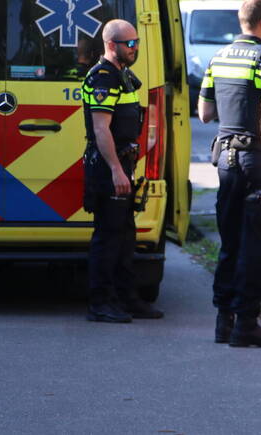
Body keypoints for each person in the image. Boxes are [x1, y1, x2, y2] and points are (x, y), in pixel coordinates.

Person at [199, 0, 261, 348]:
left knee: (229, 243)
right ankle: (247, 324)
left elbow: (205, 112)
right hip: (254, 162)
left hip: (225, 161)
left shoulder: (218, 58)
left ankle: (224, 321)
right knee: (253, 245)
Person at [81, 19, 164, 323]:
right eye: (129, 43)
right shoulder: (103, 77)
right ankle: (100, 303)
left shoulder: (123, 75)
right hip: (108, 166)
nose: (135, 48)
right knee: (108, 237)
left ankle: (127, 298)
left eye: (136, 42)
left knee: (126, 236)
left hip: (123, 164)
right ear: (110, 44)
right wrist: (116, 170)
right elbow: (101, 129)